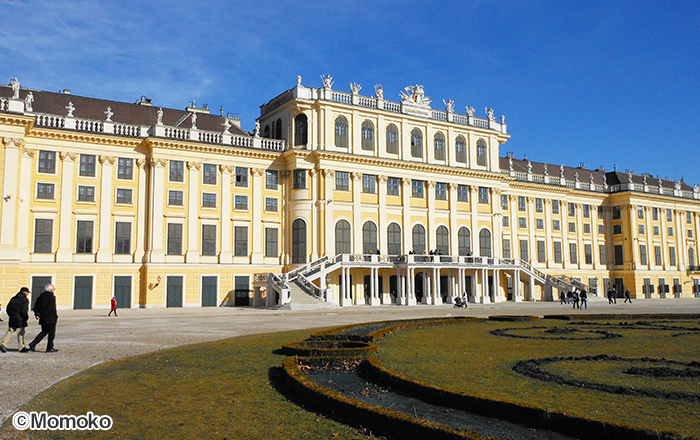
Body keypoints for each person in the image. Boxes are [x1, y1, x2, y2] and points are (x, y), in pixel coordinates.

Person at [28, 284, 59, 353]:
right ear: (51, 290)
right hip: (50, 317)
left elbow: (35, 307)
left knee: (44, 331)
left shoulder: (40, 297)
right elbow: (51, 308)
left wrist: (37, 314)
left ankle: (33, 343)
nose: (54, 290)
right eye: (53, 289)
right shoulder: (52, 297)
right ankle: (49, 348)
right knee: (51, 333)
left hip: (43, 318)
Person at [0, 287, 30, 353]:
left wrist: (11, 315)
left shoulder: (13, 299)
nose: (28, 294)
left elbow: (8, 308)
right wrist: (25, 318)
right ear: (25, 292)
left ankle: (3, 344)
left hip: (13, 318)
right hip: (20, 319)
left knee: (10, 331)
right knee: (21, 332)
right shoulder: (25, 300)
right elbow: (24, 310)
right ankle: (21, 347)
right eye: (27, 292)